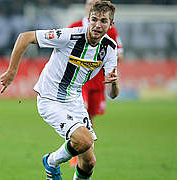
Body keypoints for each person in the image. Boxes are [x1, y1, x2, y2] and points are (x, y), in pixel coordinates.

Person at [0, 1, 119, 179]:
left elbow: (113, 94)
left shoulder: (109, 48)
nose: (97, 25)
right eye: (94, 19)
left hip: (75, 101)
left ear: (111, 24)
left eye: (103, 21)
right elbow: (25, 37)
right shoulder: (69, 35)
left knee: (89, 162)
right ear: (88, 19)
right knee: (83, 140)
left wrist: (114, 83)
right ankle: (51, 161)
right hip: (50, 99)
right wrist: (11, 71)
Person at [68, 0, 124, 167]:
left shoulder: (110, 30)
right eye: (89, 3)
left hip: (98, 80)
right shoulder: (76, 26)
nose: (91, 5)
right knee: (81, 110)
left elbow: (119, 52)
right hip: (79, 79)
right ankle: (74, 153)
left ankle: (84, 151)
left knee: (90, 118)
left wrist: (108, 63)